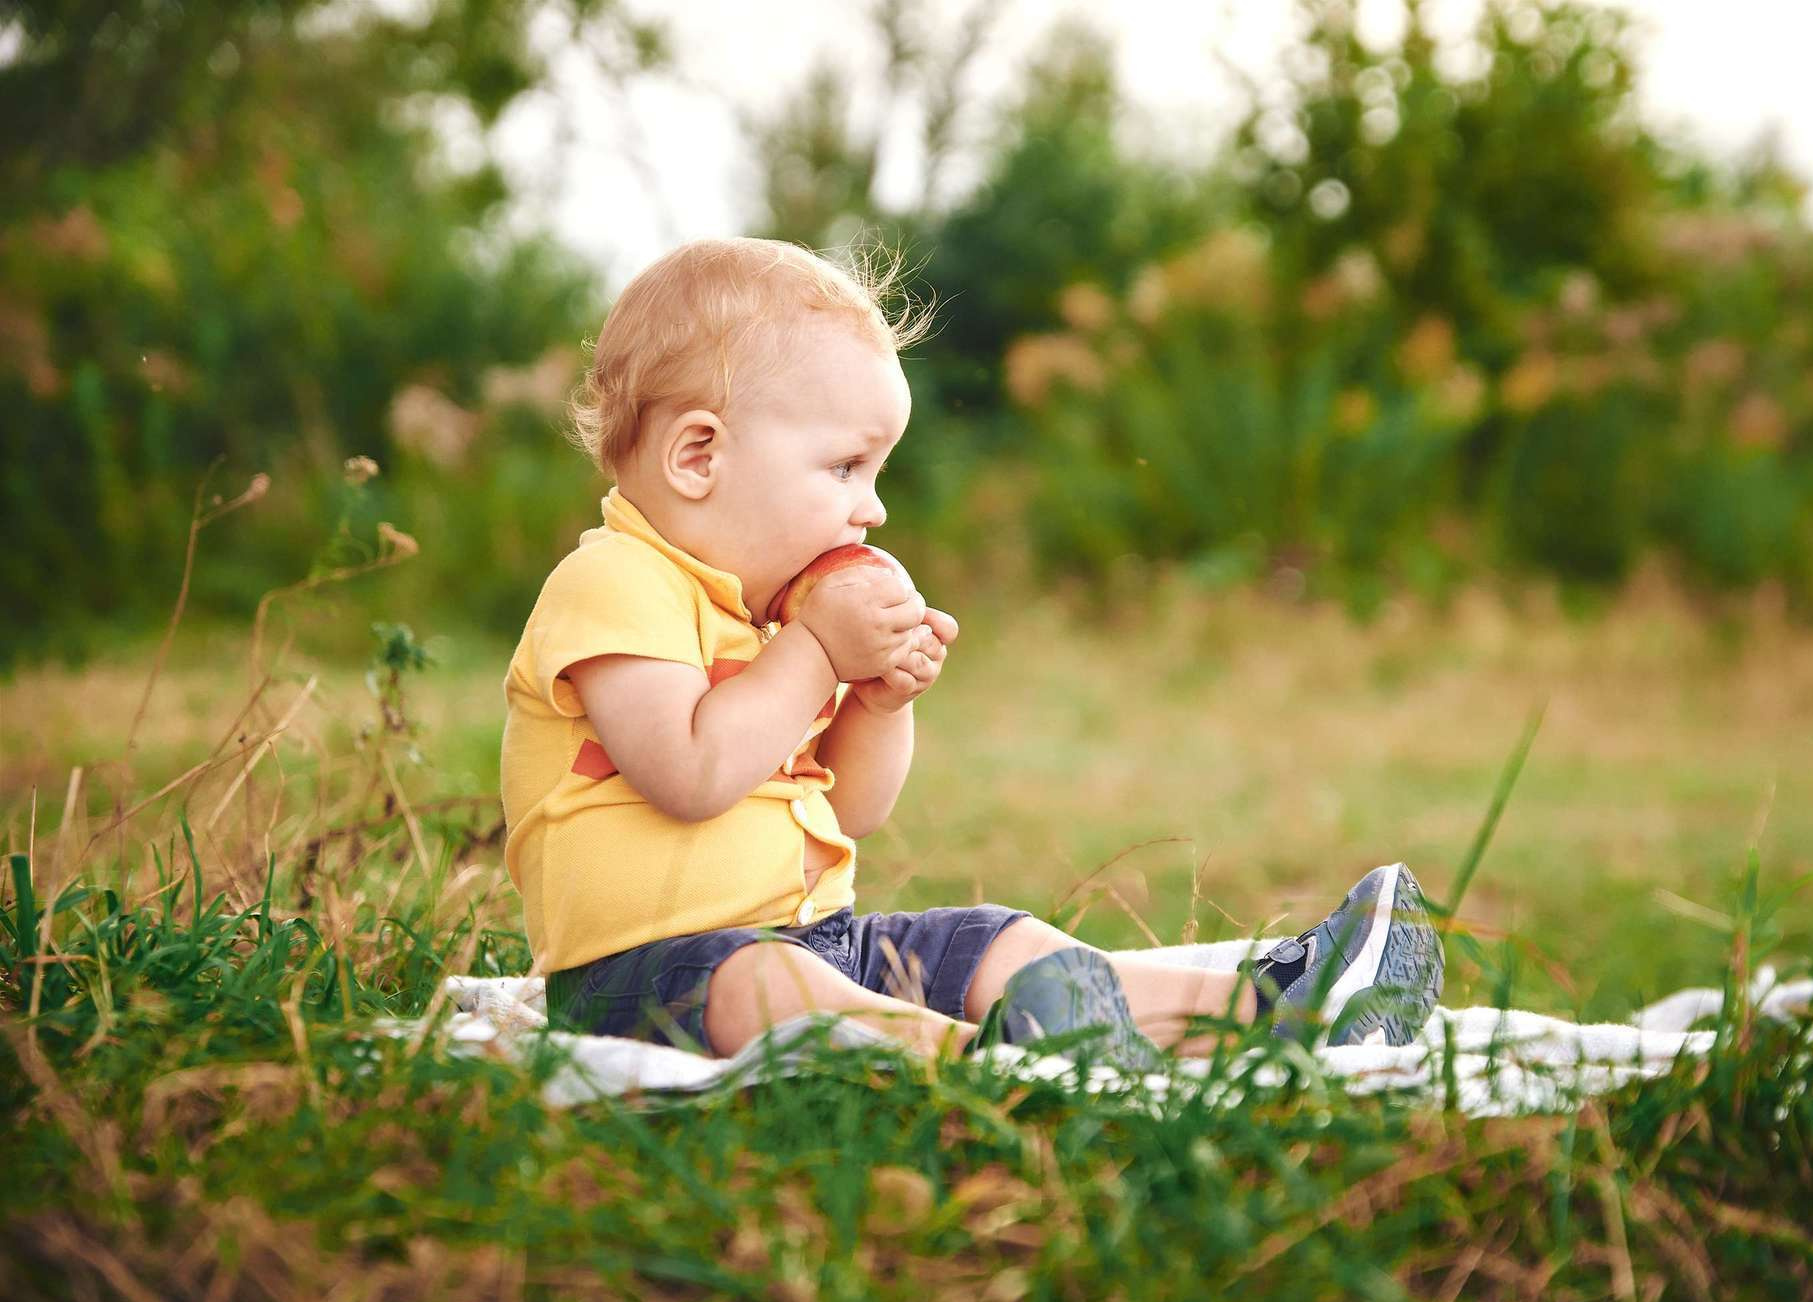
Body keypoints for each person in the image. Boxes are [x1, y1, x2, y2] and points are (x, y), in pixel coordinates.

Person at [499, 236, 1444, 1068]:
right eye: (843, 468)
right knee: (771, 989)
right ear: (698, 456)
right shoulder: (614, 586)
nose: (872, 509)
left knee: (988, 942)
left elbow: (855, 809)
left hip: (817, 935)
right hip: (643, 977)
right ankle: (990, 1067)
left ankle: (1276, 1006)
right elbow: (692, 772)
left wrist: (878, 699)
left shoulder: (774, 617)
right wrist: (822, 652)